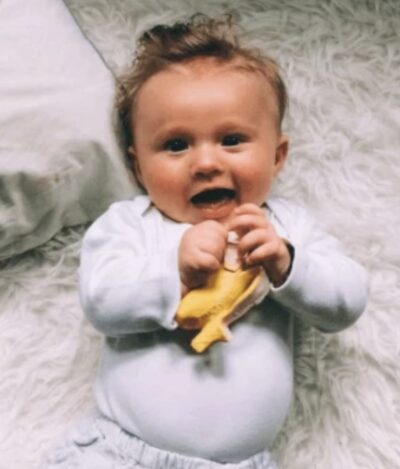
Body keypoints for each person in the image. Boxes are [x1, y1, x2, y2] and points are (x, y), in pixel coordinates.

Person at [43, 14, 368, 469]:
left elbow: (347, 302)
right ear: (138, 167)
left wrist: (287, 264)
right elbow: (101, 301)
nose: (206, 163)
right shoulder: (133, 224)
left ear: (277, 156)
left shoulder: (284, 228)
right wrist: (174, 273)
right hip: (122, 451)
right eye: (176, 145)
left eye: (231, 140)